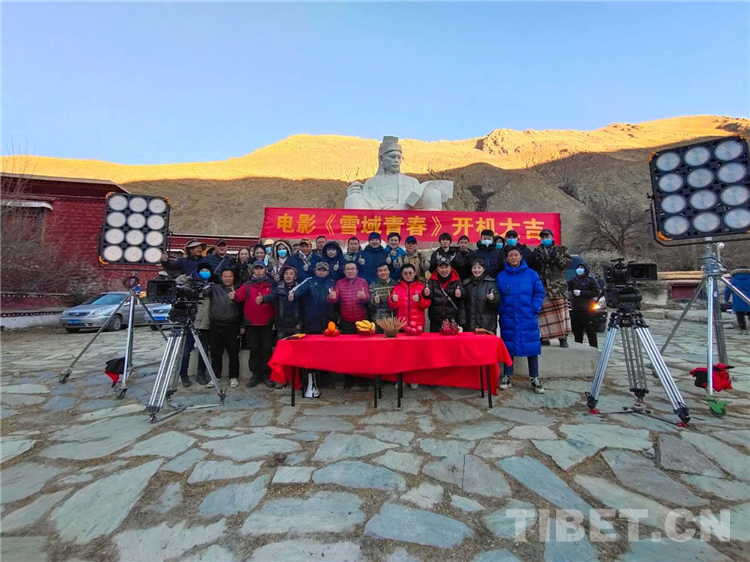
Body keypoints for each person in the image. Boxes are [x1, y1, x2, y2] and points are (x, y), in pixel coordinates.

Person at [496, 247, 546, 393]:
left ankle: (534, 377)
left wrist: (535, 307)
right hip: (509, 316)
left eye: (516, 255)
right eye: (510, 255)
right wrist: (501, 309)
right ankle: (507, 376)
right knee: (508, 346)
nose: (513, 258)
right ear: (507, 258)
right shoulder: (501, 276)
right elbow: (497, 295)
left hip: (527, 315)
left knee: (532, 347)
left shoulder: (531, 274)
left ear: (520, 257)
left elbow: (539, 292)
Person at [292, 261, 337, 396]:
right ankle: (310, 381)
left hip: (328, 323)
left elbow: (337, 301)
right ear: (315, 271)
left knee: (327, 352)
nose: (321, 272)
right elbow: (295, 292)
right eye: (319, 270)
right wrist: (292, 294)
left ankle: (326, 378)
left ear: (328, 272)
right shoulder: (309, 281)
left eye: (324, 270)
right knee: (312, 352)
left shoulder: (332, 283)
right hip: (311, 323)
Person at [231, 260, 275, 388]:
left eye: (261, 268)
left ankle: (266, 374)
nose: (259, 271)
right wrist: (234, 296)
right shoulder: (247, 284)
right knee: (254, 350)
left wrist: (265, 300)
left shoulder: (271, 284)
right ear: (253, 270)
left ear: (264, 269)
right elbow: (240, 295)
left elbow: (275, 297)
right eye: (256, 269)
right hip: (251, 323)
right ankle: (255, 375)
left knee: (266, 350)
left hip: (266, 322)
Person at [389, 263, 430, 390]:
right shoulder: (396, 288)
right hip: (401, 325)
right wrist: (393, 300)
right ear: (402, 274)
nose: (408, 275)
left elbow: (426, 304)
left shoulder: (421, 287)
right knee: (400, 354)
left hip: (417, 326)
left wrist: (420, 300)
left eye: (410, 273)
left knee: (416, 355)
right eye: (405, 273)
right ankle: (401, 379)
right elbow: (392, 306)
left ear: (414, 273)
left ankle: (414, 378)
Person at [532, 229, 572, 347]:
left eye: (547, 236)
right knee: (544, 313)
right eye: (543, 237)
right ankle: (545, 337)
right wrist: (537, 261)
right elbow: (534, 267)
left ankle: (562, 338)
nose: (545, 239)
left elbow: (567, 264)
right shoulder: (538, 250)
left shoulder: (561, 249)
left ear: (552, 237)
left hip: (557, 286)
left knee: (560, 313)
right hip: (543, 285)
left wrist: (557, 258)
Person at [176, 261, 212, 387]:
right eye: (202, 271)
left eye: (207, 271)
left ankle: (201, 374)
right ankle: (183, 374)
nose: (204, 273)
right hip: (190, 322)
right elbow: (177, 283)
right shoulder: (189, 284)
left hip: (206, 323)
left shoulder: (212, 286)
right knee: (186, 351)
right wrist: (187, 279)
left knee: (204, 351)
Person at [206, 269, 242, 388]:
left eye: (230, 276)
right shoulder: (214, 288)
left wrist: (242, 325)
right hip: (215, 324)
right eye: (225, 276)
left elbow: (243, 308)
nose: (227, 278)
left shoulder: (239, 289)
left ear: (233, 277)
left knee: (233, 353)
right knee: (215, 353)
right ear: (221, 278)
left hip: (232, 325)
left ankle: (233, 376)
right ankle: (215, 376)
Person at [460, 259, 500, 332]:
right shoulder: (466, 283)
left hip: (487, 324)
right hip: (470, 323)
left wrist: (492, 299)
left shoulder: (491, 283)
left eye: (479, 268)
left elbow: (497, 303)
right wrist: (462, 321)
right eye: (474, 268)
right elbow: (463, 304)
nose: (476, 270)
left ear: (483, 269)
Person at [424, 255, 463, 331]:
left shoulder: (457, 280)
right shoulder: (432, 280)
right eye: (441, 267)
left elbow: (464, 294)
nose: (444, 270)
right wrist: (426, 293)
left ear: (450, 268)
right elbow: (428, 294)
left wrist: (460, 293)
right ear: (437, 269)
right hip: (436, 321)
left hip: (452, 321)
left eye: (446, 267)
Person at [568, 263, 600, 348]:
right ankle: (579, 349)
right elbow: (566, 288)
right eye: (578, 268)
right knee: (577, 332)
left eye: (582, 268)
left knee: (591, 331)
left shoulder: (590, 280)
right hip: (575, 309)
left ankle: (594, 348)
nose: (579, 270)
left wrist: (582, 293)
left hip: (587, 310)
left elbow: (596, 292)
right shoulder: (573, 280)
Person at [725, 266, 750, 334]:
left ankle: (743, 329)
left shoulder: (733, 279)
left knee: (740, 315)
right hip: (749, 299)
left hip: (738, 300)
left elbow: (728, 290)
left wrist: (726, 299)